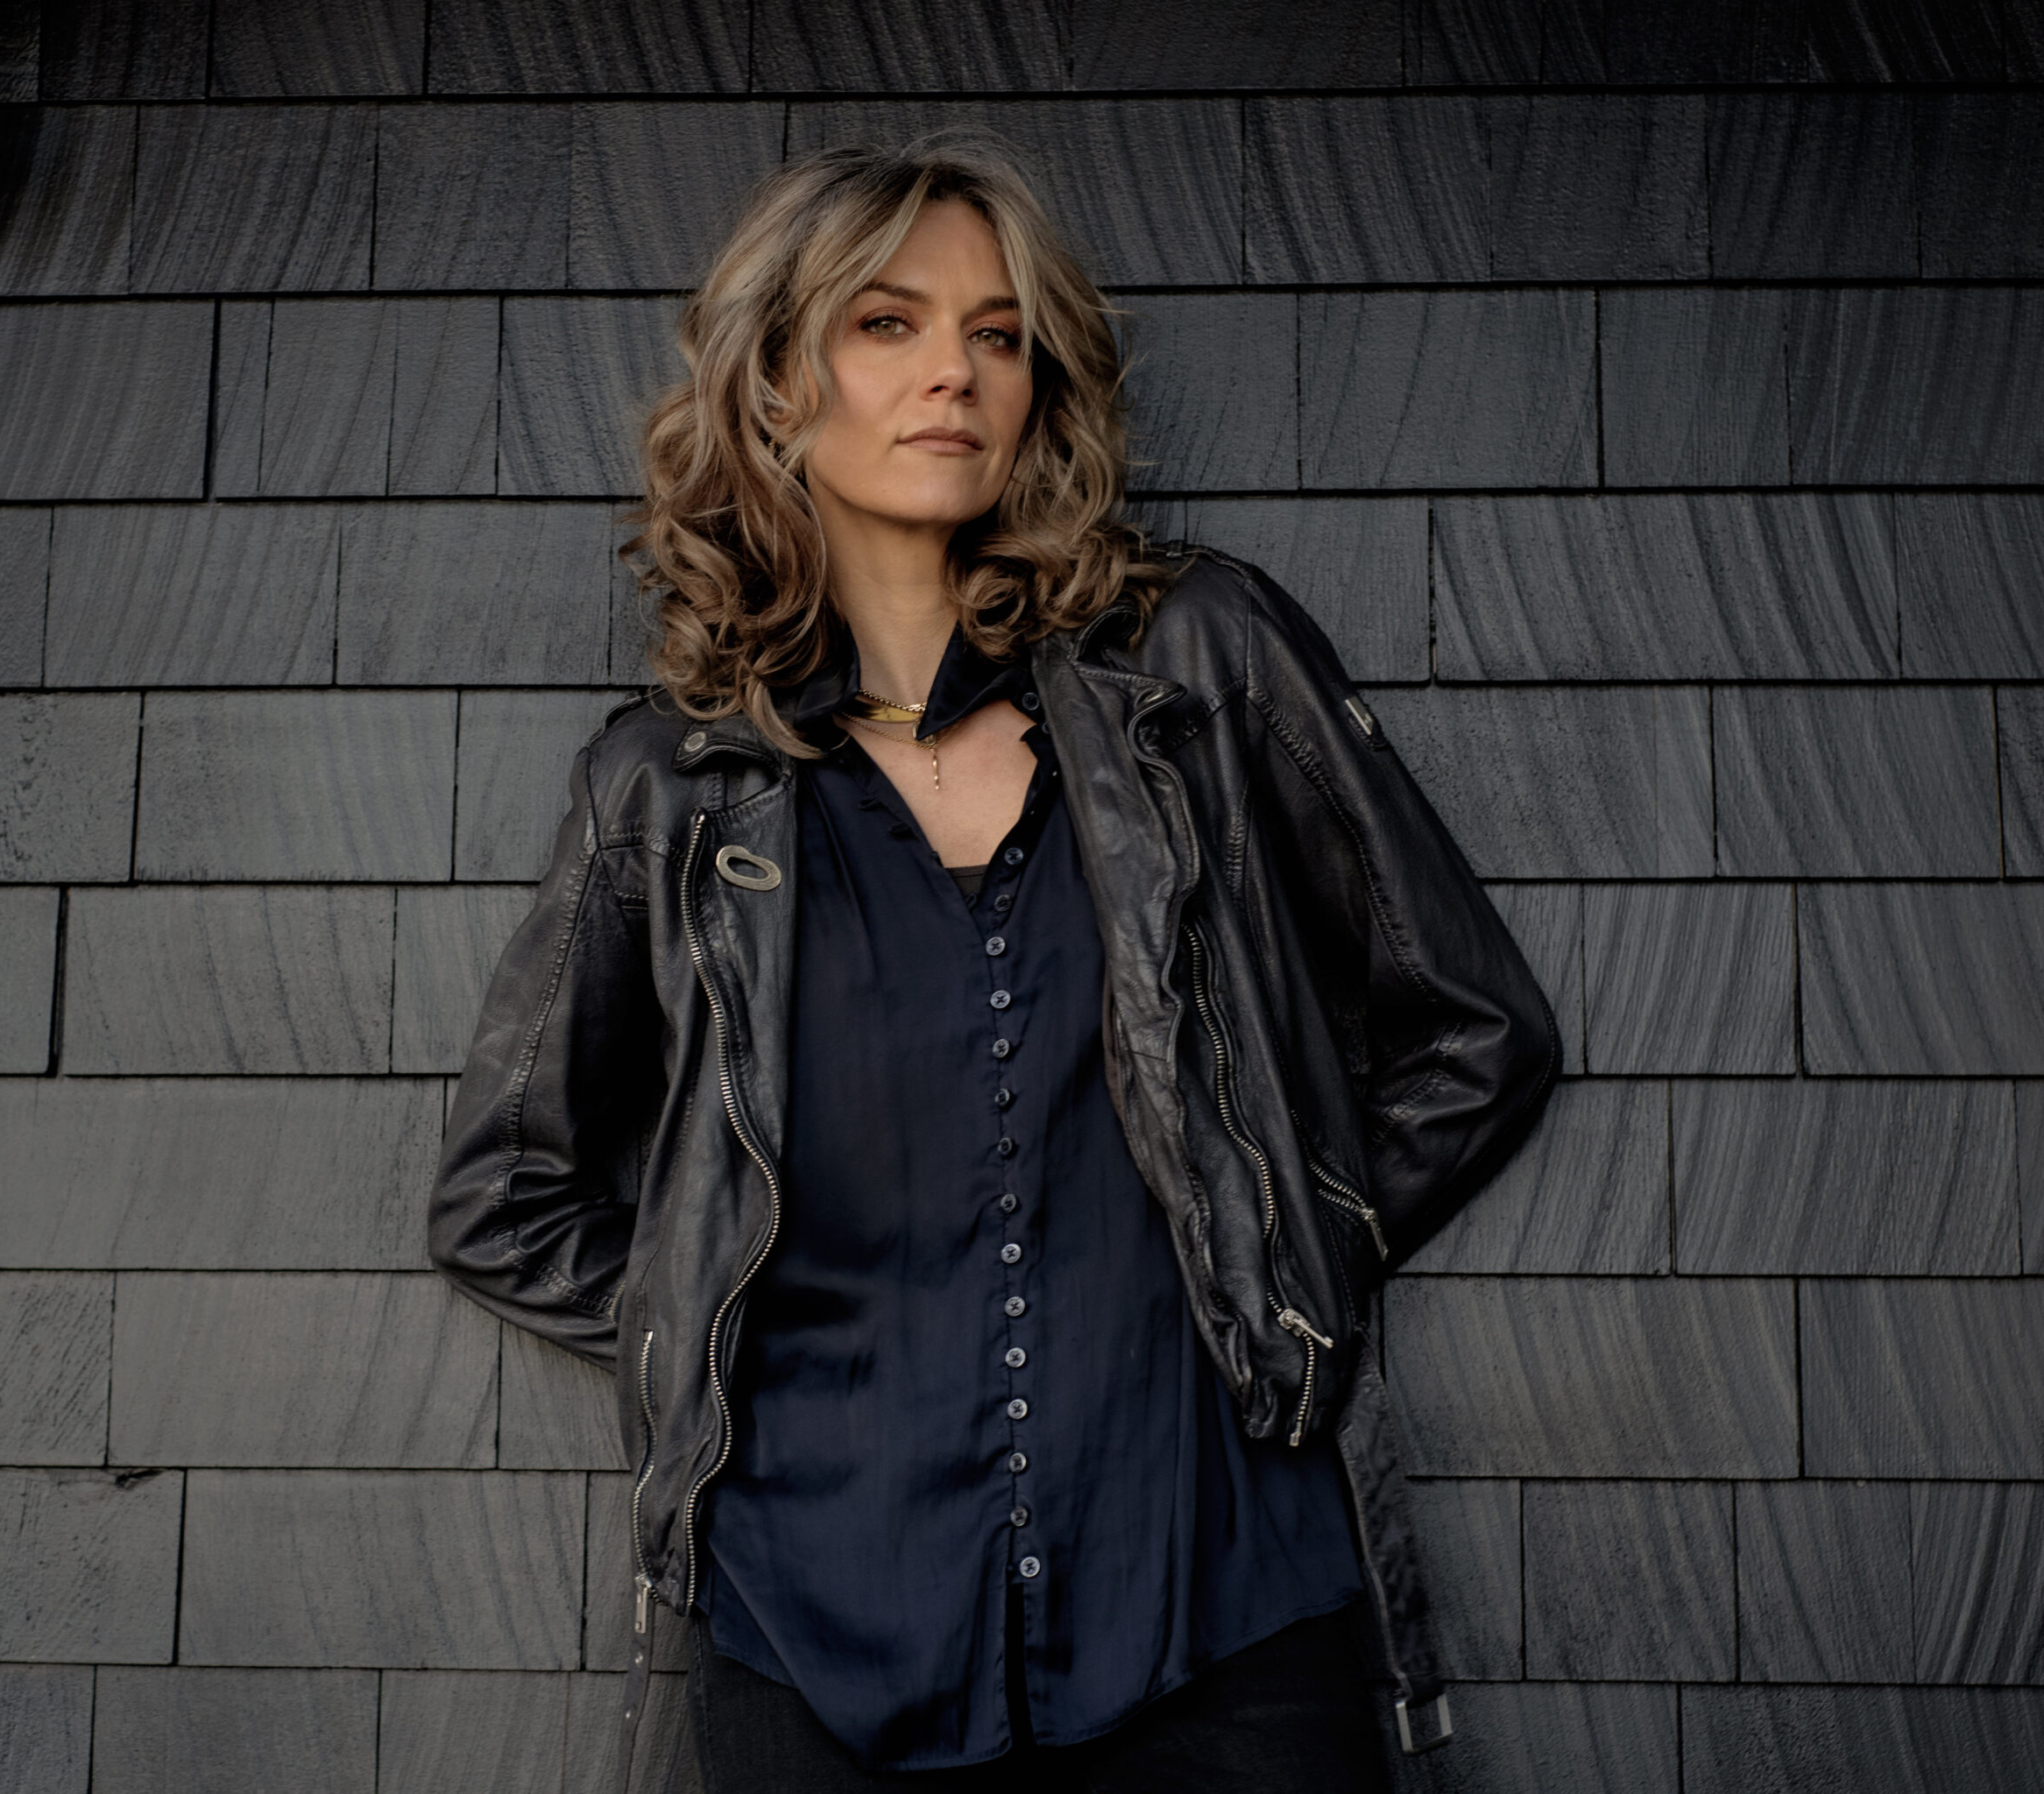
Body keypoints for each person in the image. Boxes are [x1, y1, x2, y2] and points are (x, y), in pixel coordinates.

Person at [428, 138, 1559, 1793]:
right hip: (818, 1632)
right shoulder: (669, 790)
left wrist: (1279, 1240)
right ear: (774, 382)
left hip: (1220, 1605)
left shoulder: (1201, 668)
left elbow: (1475, 1028)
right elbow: (500, 1191)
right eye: (888, 323)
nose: (955, 368)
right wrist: (730, 1323)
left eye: (1000, 332)